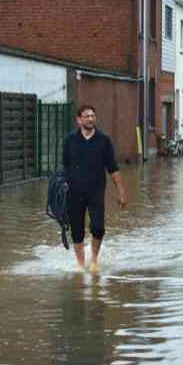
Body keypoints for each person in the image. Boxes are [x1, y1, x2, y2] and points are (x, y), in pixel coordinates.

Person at [62, 104, 127, 273]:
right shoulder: (69, 140)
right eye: (86, 116)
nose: (90, 119)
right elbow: (65, 167)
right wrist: (63, 184)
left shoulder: (104, 141)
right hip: (74, 193)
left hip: (96, 191)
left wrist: (121, 192)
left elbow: (113, 168)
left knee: (98, 227)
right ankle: (80, 265)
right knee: (77, 231)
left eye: (92, 116)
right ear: (79, 120)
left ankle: (94, 259)